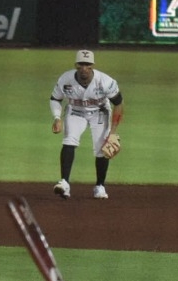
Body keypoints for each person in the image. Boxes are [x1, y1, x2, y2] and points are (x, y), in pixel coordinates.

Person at [49, 49, 123, 201]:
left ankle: (100, 186)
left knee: (101, 147)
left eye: (88, 65)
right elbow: (55, 99)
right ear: (76, 65)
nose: (85, 68)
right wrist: (57, 118)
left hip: (100, 112)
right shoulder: (66, 79)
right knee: (69, 140)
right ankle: (64, 183)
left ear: (92, 66)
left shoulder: (105, 81)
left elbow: (119, 104)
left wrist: (113, 132)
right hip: (75, 111)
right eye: (82, 64)